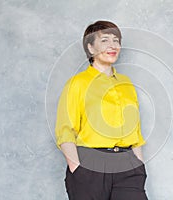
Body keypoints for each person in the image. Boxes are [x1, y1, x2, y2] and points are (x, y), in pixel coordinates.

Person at [55, 20, 148, 200]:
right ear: (90, 48)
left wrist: (139, 165)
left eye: (116, 40)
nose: (113, 45)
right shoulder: (77, 83)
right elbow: (65, 130)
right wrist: (77, 170)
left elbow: (135, 131)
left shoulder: (126, 83)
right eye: (105, 40)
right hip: (90, 164)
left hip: (127, 163)